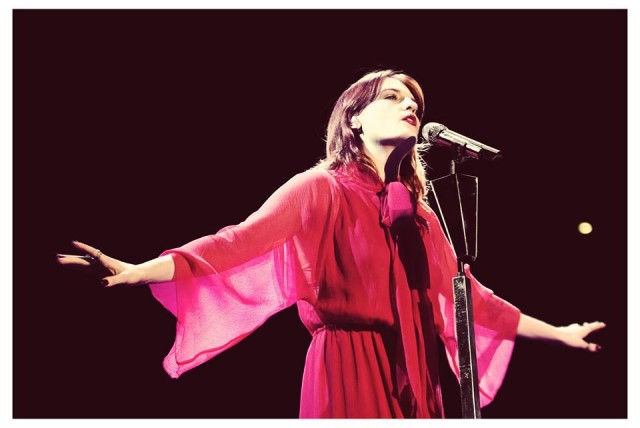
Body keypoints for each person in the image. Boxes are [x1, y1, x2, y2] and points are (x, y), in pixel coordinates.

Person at [57, 69, 605, 418]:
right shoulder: (319, 188)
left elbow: (473, 300)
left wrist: (559, 334)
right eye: (393, 96)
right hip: (348, 365)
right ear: (355, 119)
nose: (410, 105)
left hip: (415, 374)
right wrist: (137, 269)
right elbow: (233, 244)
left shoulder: (418, 215)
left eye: (415, 100)